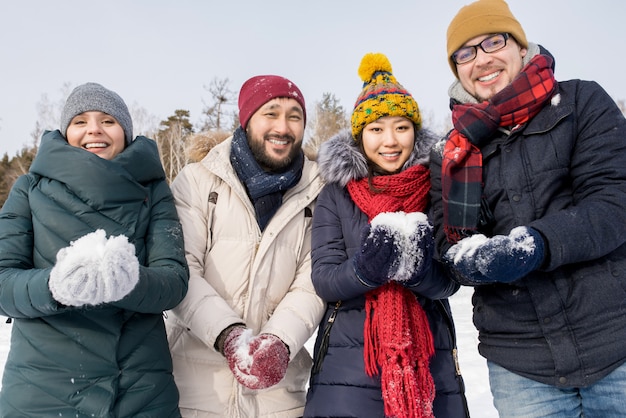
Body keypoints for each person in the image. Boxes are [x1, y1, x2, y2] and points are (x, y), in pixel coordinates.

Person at [429, 0, 626, 416]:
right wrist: (469, 261)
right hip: (521, 363)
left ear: (520, 46)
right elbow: (445, 240)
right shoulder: (450, 152)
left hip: (616, 341)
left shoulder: (582, 102)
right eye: (465, 53)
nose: (481, 60)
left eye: (492, 42)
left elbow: (613, 202)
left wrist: (535, 244)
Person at [0, 82, 189, 417]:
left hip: (139, 393)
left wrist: (130, 282)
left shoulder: (154, 190)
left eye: (108, 120)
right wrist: (54, 286)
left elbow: (173, 281)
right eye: (80, 121)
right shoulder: (29, 189)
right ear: (65, 131)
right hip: (42, 393)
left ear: (125, 132)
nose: (94, 130)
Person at [303, 52, 469, 418]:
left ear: (415, 130)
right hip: (350, 366)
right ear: (360, 136)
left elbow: (452, 280)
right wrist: (366, 270)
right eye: (376, 129)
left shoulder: (437, 187)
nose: (390, 141)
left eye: (401, 127)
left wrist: (421, 273)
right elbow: (326, 279)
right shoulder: (337, 192)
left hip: (429, 359)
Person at [165, 75, 325, 417]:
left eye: (294, 116)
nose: (282, 127)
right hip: (194, 390)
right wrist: (229, 336)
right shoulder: (197, 181)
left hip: (279, 394)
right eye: (271, 113)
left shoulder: (319, 192)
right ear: (247, 119)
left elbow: (312, 282)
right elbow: (180, 271)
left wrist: (279, 342)